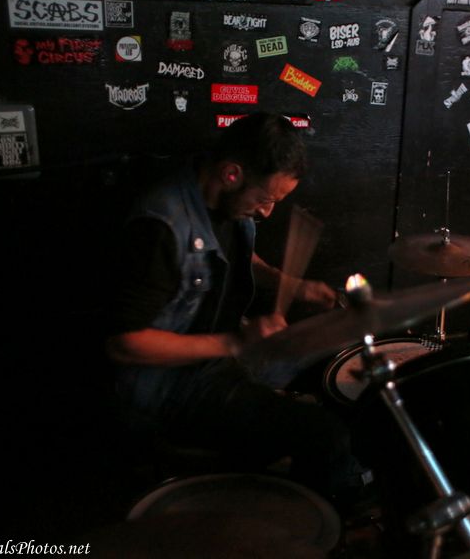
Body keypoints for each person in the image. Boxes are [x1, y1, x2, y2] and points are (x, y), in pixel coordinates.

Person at [104, 111, 357, 502]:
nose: (268, 212)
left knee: (347, 359)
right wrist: (236, 342)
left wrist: (290, 284)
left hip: (223, 358)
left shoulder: (225, 203)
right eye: (266, 199)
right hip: (169, 387)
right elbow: (124, 344)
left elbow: (237, 256)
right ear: (231, 173)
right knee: (325, 434)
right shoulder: (159, 227)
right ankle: (304, 524)